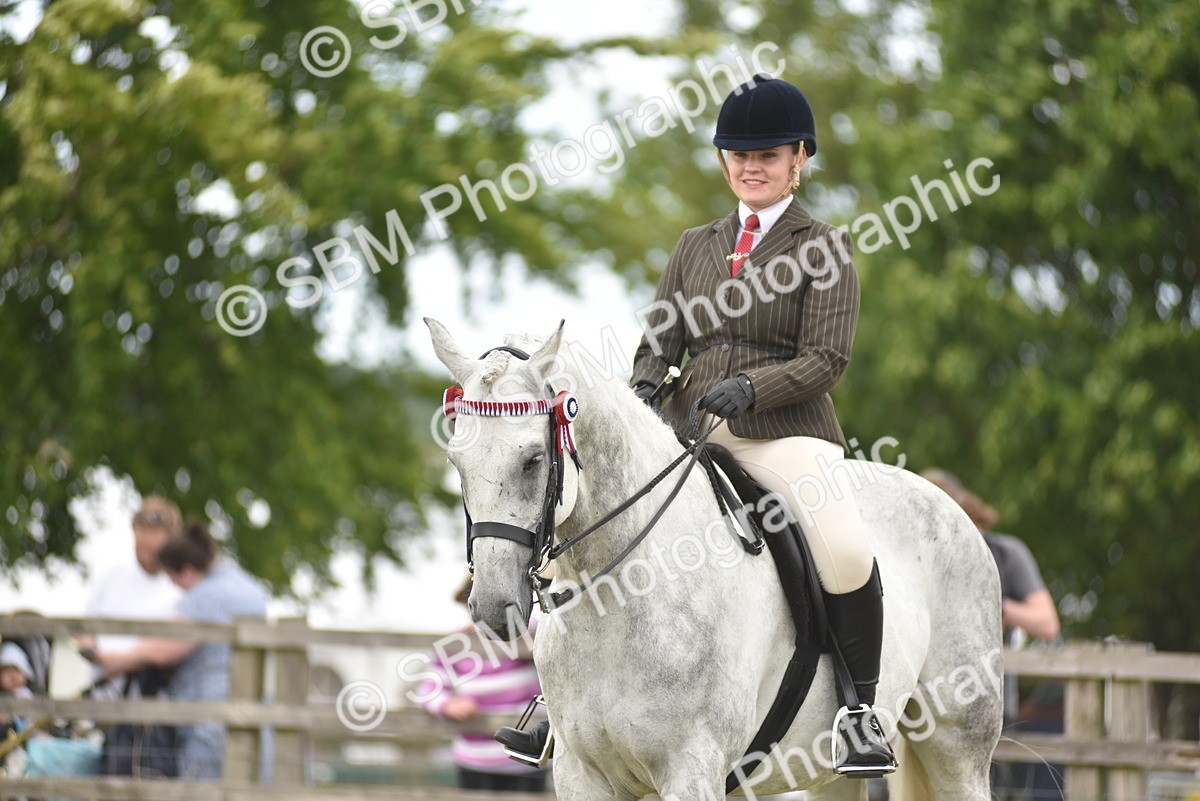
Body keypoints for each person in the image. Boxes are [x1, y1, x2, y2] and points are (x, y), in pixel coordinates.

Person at [499, 74, 896, 777]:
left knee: (841, 544)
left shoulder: (825, 246)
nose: (752, 167)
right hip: (689, 432)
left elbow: (827, 359)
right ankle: (555, 704)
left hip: (785, 432)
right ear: (722, 162)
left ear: (799, 158)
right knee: (581, 532)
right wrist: (647, 384)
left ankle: (859, 711)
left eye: (768, 155)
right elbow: (661, 338)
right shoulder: (694, 246)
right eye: (739, 155)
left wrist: (754, 387)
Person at [921, 469, 1061, 800]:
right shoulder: (920, 557)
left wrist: (993, 605)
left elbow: (1047, 623)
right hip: (923, 702)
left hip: (987, 703)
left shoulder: (1005, 553)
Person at [97, 519, 269, 780]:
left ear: (187, 571)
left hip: (207, 720)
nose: (174, 587)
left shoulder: (205, 597)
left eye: (172, 577)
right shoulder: (247, 587)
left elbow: (166, 646)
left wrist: (118, 658)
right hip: (255, 717)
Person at [419, 578, 547, 792]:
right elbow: (429, 689)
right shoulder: (457, 644)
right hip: (475, 758)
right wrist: (448, 705)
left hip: (526, 759)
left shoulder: (528, 634)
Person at [81, 496, 185, 699]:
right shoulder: (112, 576)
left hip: (149, 704)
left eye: (154, 551)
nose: (146, 557)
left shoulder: (180, 589)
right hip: (101, 696)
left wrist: (125, 661)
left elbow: (171, 648)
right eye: (141, 548)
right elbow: (84, 625)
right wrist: (90, 648)